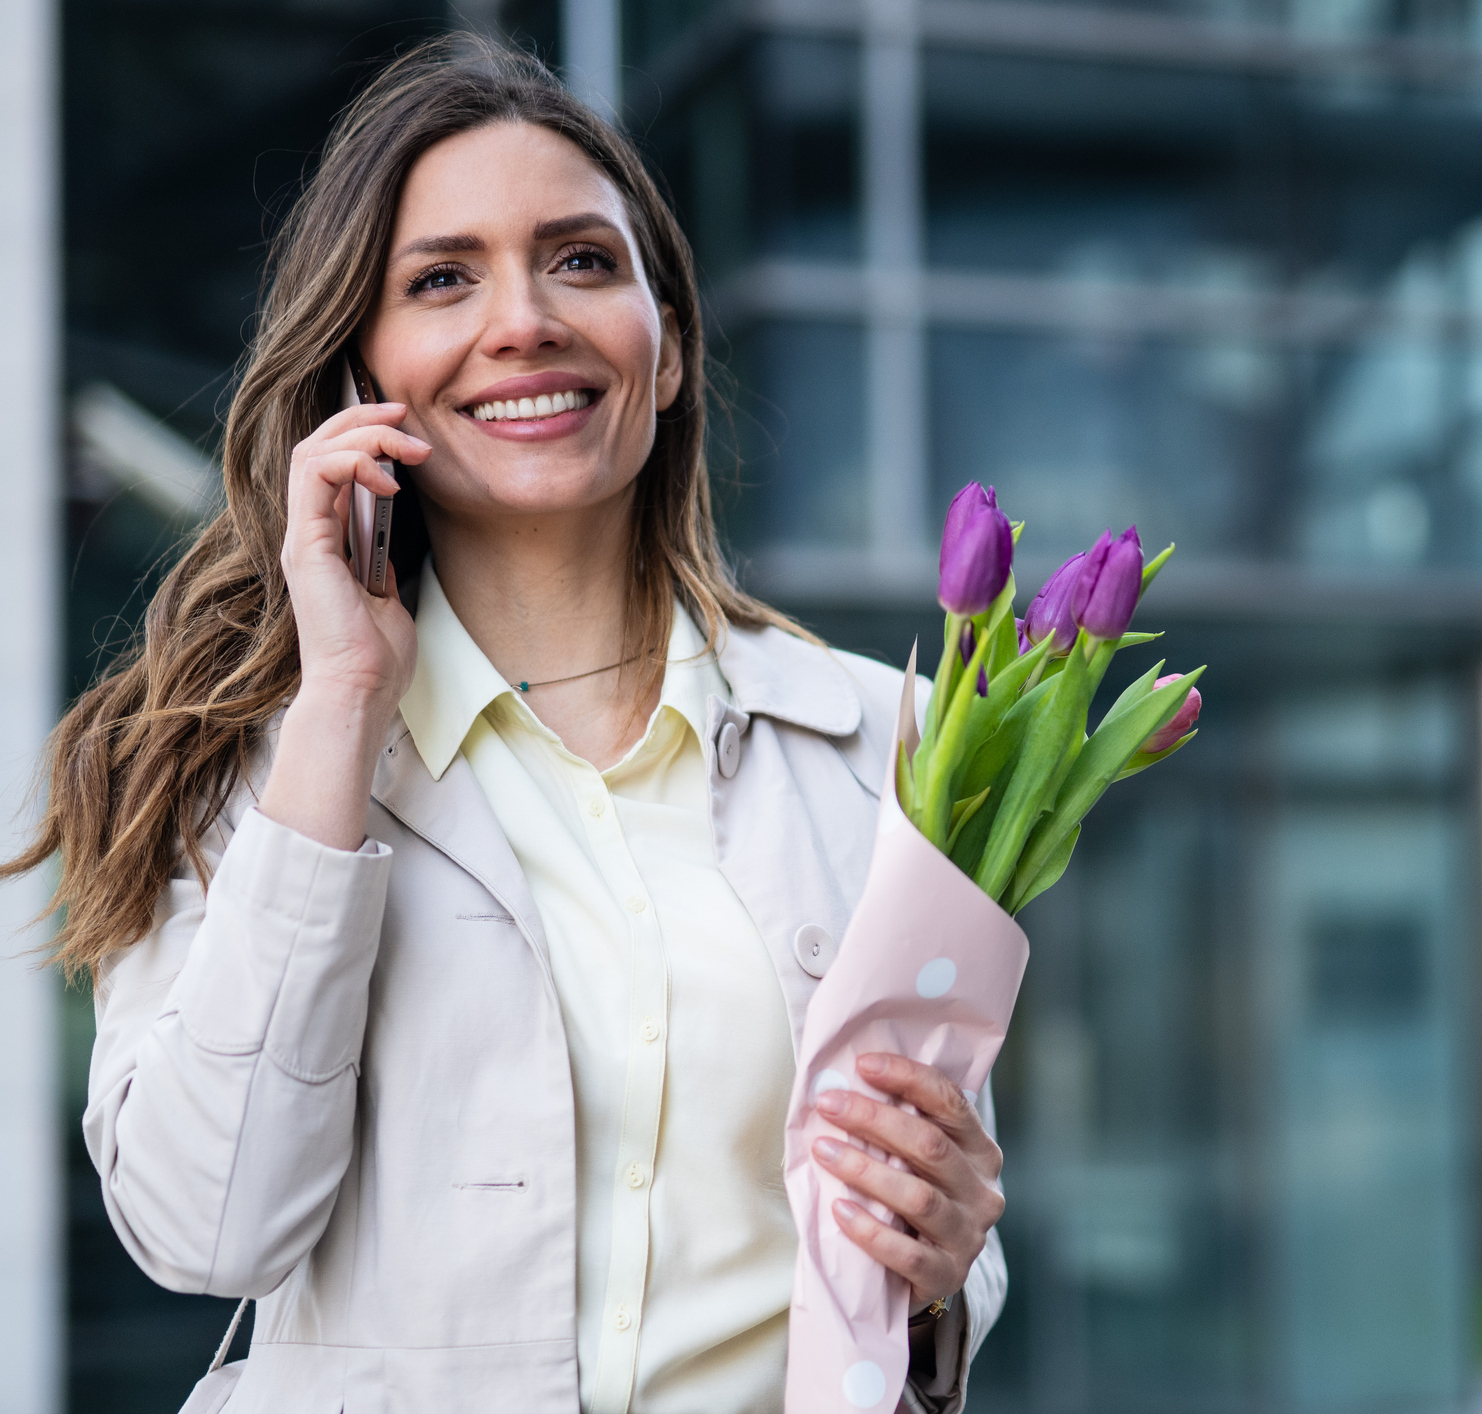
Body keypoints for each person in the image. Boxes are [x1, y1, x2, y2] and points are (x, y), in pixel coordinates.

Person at [9, 37, 1005, 1414]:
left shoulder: (880, 740)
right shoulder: (235, 761)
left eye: (584, 261)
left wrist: (950, 1260)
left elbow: (932, 1224)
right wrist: (341, 705)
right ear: (362, 376)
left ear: (664, 353)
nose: (524, 318)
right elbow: (205, 1228)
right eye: (442, 279)